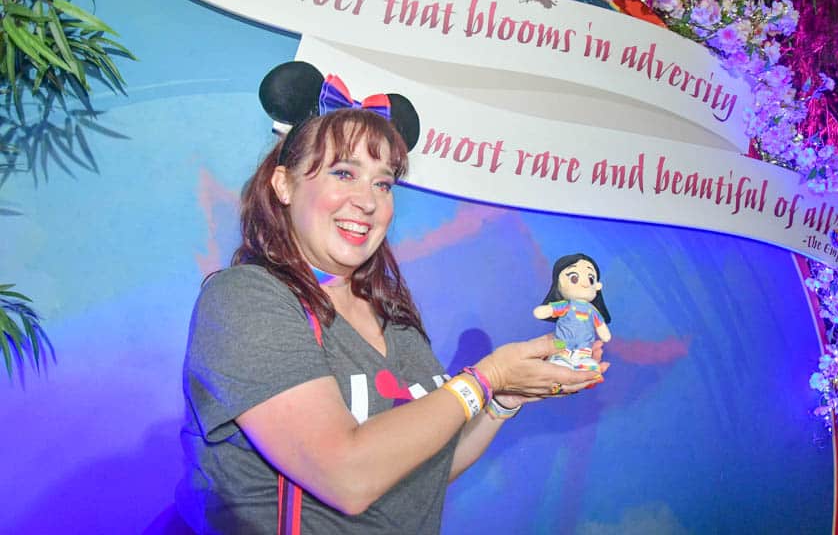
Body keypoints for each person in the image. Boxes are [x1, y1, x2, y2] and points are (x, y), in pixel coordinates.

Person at [176, 63, 606, 534]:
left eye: (383, 183)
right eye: (344, 173)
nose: (368, 200)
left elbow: (420, 469)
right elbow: (346, 474)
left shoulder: (392, 318)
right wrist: (486, 377)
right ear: (284, 184)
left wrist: (504, 398)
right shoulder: (245, 299)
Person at [533, 253, 612, 372]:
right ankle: (559, 358)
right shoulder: (566, 305)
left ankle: (583, 360)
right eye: (574, 278)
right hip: (561, 344)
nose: (585, 283)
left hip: (584, 346)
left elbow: (601, 326)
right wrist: (546, 310)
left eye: (590, 279)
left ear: (597, 286)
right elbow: (546, 311)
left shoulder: (592, 310)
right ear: (560, 283)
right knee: (559, 350)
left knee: (585, 354)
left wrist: (605, 334)